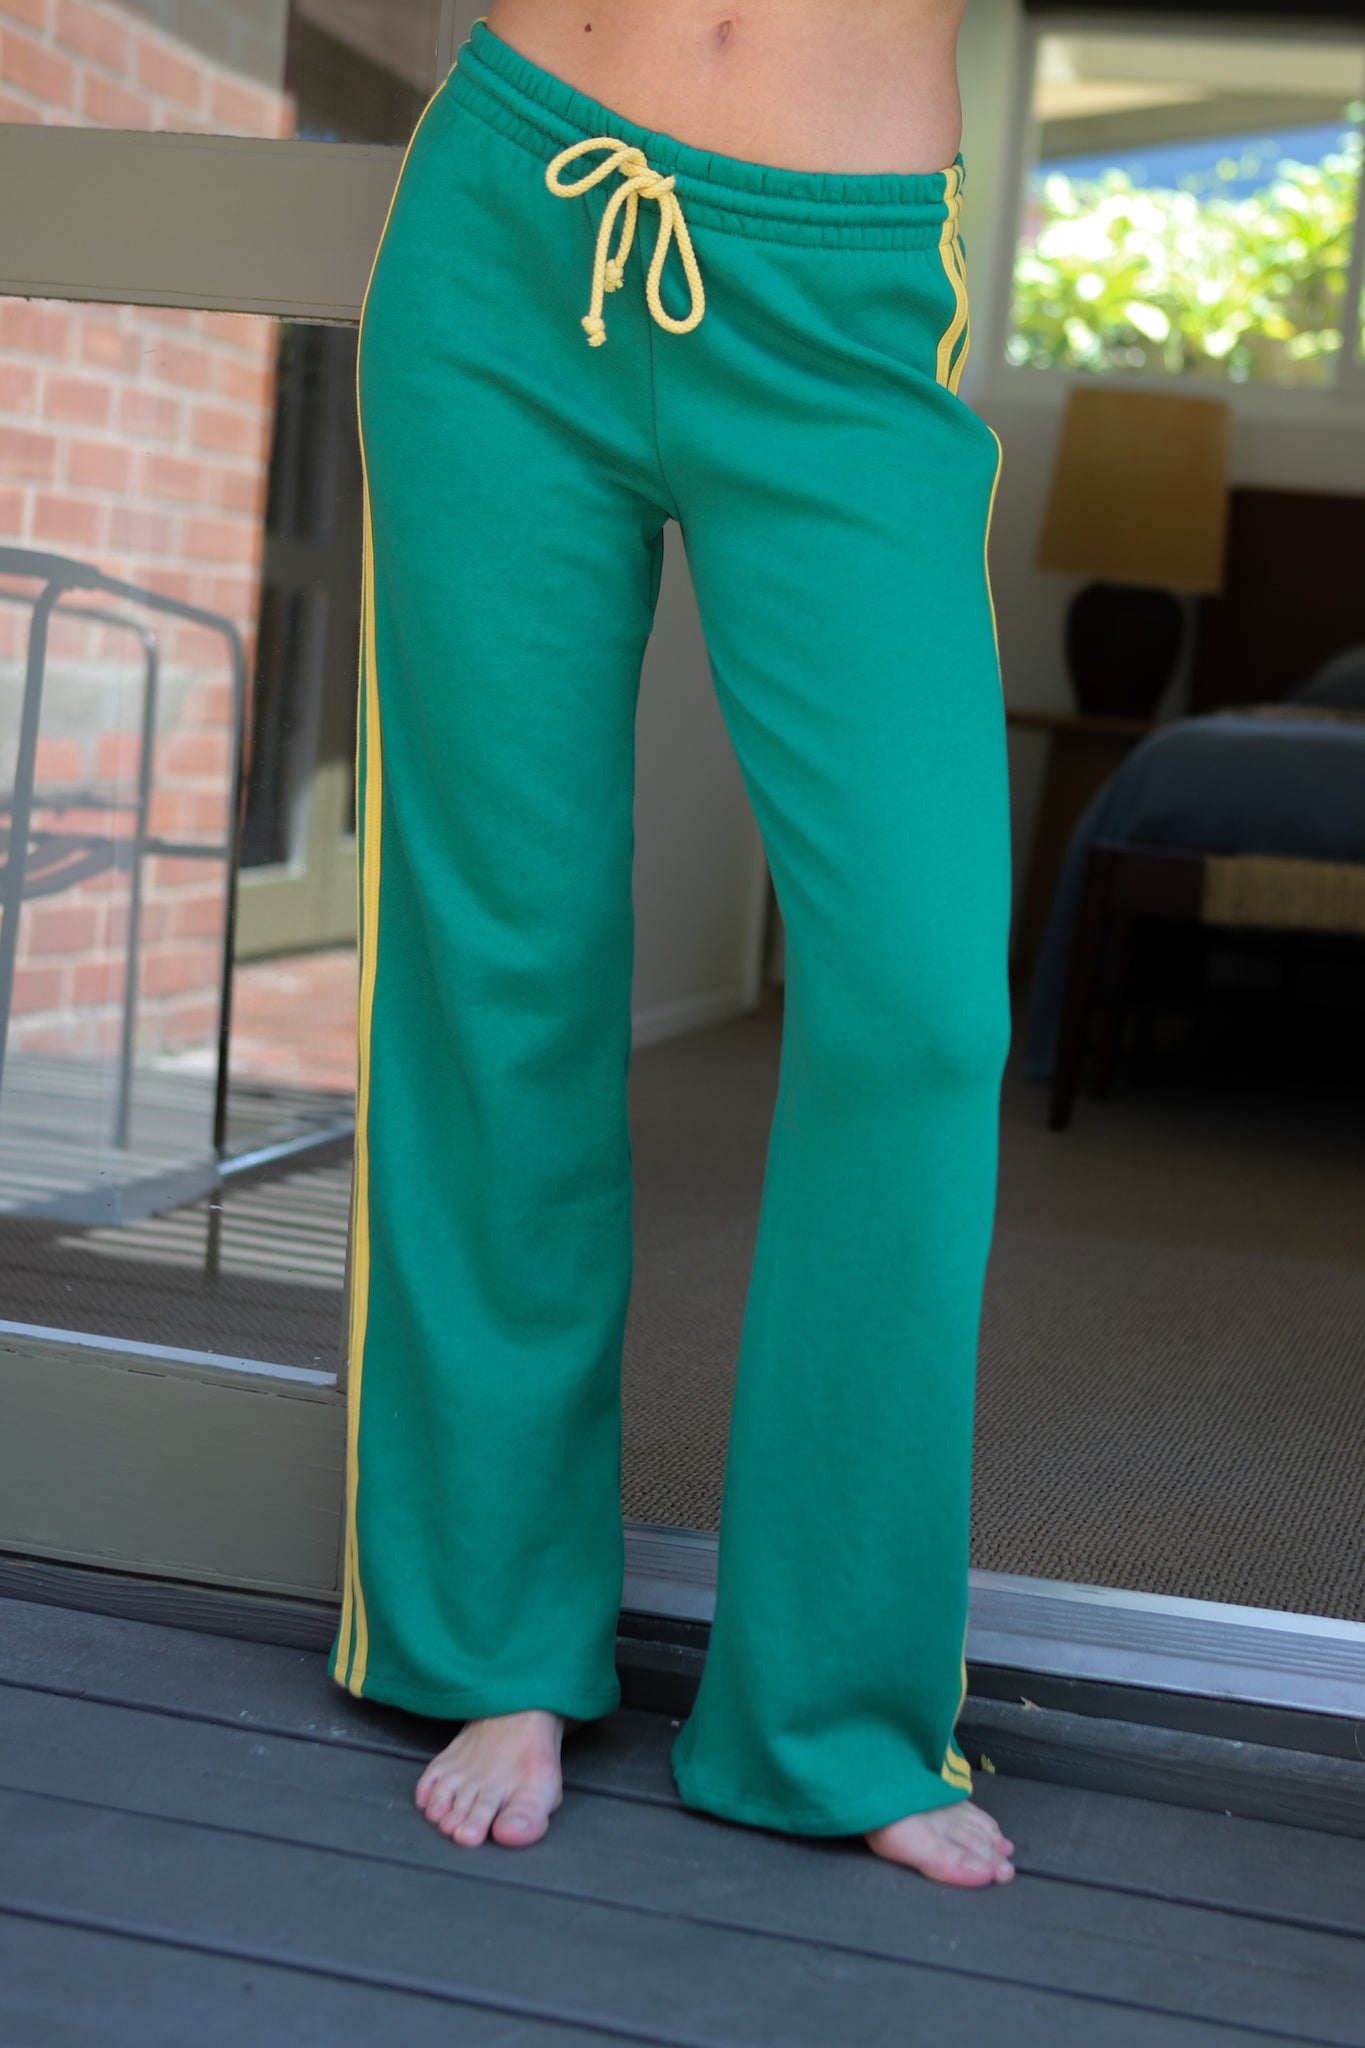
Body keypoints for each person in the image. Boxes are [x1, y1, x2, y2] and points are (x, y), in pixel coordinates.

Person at [328, 0, 1016, 1888]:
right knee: (500, 963)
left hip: (843, 293)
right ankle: (490, 1640)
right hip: (512, 223)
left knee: (920, 1010)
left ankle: (829, 1706)